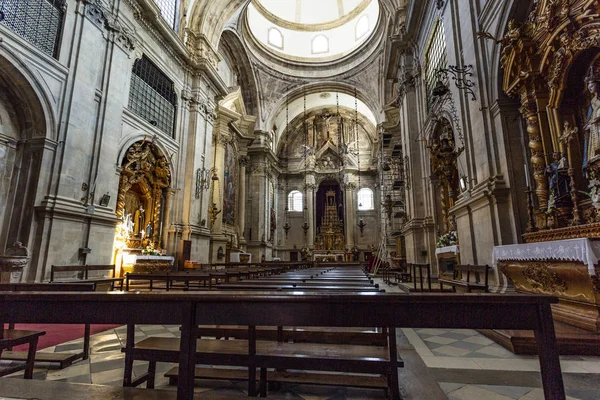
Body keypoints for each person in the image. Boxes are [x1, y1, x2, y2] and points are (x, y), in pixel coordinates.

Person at [583, 69, 600, 169]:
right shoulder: (593, 101)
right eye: (589, 87)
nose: (590, 88)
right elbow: (592, 115)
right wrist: (590, 124)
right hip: (595, 127)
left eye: (592, 86)